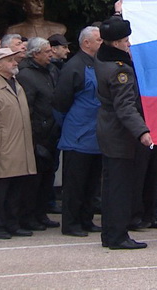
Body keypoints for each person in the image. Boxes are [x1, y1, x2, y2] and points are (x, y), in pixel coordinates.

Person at [94, 15, 152, 250]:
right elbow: (125, 107)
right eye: (126, 40)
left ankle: (110, 233)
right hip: (120, 134)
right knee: (120, 188)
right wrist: (142, 132)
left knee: (110, 186)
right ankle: (118, 236)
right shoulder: (120, 72)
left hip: (107, 129)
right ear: (116, 43)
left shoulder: (102, 57)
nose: (129, 43)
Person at [0, 48, 38, 239]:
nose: (14, 63)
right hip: (3, 147)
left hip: (20, 147)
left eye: (14, 59)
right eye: (9, 60)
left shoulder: (16, 84)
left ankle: (12, 222)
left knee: (16, 189)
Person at [53, 26, 103, 237]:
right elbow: (60, 102)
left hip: (96, 133)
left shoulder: (98, 64)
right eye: (99, 40)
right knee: (75, 183)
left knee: (92, 182)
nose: (102, 43)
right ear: (86, 43)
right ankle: (71, 223)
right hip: (78, 133)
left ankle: (86, 219)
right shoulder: (74, 66)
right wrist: (70, 124)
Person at [16, 37, 61, 231]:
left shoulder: (52, 70)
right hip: (37, 134)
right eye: (46, 52)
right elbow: (27, 108)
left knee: (47, 177)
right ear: (35, 54)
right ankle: (28, 215)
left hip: (53, 131)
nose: (50, 54)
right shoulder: (26, 75)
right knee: (33, 180)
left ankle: (41, 212)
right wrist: (34, 136)